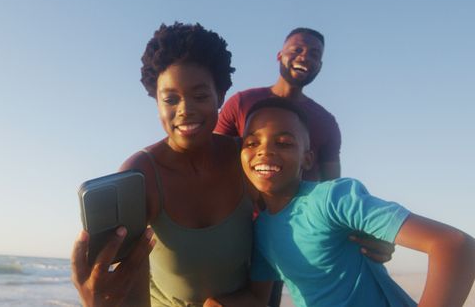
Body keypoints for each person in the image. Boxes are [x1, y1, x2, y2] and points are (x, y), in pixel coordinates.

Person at [71, 23, 395, 307]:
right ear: (155, 101)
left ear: (220, 95)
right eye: (170, 99)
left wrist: (361, 234)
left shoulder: (247, 161)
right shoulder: (140, 175)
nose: (185, 109)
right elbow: (128, 280)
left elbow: (310, 204)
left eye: (200, 96)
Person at [240, 98, 475, 307]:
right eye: (251, 143)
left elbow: (456, 245)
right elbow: (259, 300)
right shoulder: (261, 229)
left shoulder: (331, 199)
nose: (264, 151)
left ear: (308, 159)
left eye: (283, 143)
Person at [215, 27, 340, 181]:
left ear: (319, 66)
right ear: (279, 56)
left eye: (314, 54)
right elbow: (212, 155)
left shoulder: (326, 122)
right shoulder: (241, 102)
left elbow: (333, 184)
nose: (304, 57)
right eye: (297, 50)